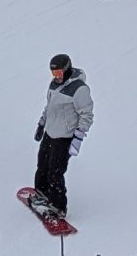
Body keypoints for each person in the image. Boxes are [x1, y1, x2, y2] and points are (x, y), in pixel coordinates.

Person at [31, 55, 94, 217]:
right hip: (50, 133)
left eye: (59, 72)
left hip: (64, 138)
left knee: (55, 173)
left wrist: (78, 138)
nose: (56, 76)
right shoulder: (53, 85)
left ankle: (58, 207)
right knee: (42, 166)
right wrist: (41, 124)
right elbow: (49, 107)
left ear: (67, 69)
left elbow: (86, 115)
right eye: (53, 73)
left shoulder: (79, 89)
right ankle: (41, 195)